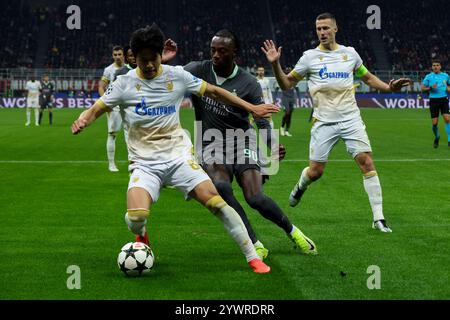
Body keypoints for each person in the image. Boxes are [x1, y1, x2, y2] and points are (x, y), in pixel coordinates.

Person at [71, 24, 279, 273]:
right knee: (137, 217)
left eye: (153, 59)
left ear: (161, 55)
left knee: (217, 203)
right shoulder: (124, 84)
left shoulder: (176, 75)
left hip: (179, 157)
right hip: (144, 163)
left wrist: (252, 108)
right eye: (142, 60)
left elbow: (213, 91)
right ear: (133, 58)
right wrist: (84, 119)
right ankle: (142, 235)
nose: (148, 65)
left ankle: (253, 257)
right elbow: (96, 108)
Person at [262, 12, 412, 233]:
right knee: (316, 172)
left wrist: (389, 88)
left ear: (335, 29)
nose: (321, 32)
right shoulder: (309, 58)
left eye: (325, 28)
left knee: (366, 163)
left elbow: (368, 77)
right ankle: (301, 185)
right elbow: (286, 84)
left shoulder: (350, 54)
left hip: (351, 118)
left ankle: (378, 218)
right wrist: (276, 65)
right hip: (324, 122)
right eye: (318, 29)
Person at [184, 29, 317, 259]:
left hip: (241, 142)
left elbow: (261, 120)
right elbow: (168, 76)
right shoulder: (198, 69)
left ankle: (293, 231)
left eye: (222, 51)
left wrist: (272, 144)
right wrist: (163, 61)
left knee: (255, 197)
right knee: (222, 188)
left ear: (234, 53)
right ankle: (254, 242)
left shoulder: (249, 83)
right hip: (210, 144)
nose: (215, 55)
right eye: (213, 50)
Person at [98, 45, 125, 172]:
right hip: (115, 107)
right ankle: (111, 163)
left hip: (129, 104)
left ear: (123, 55)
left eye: (119, 54)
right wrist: (107, 103)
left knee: (135, 133)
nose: (117, 57)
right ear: (112, 56)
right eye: (115, 55)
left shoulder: (130, 68)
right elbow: (101, 86)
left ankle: (136, 163)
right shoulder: (109, 70)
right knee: (112, 134)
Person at [421, 60, 450, 148]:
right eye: (434, 65)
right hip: (433, 101)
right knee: (434, 123)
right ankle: (437, 137)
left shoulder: (446, 76)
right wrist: (430, 88)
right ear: (432, 67)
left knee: (447, 119)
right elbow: (422, 89)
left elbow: (449, 86)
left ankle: (449, 140)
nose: (435, 67)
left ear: (440, 66)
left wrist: (447, 88)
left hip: (444, 99)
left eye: (437, 65)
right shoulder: (428, 76)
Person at [275, 67, 300, 137]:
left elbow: (297, 89)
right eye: (287, 70)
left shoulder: (293, 80)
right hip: (285, 98)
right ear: (285, 71)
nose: (288, 71)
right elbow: (276, 89)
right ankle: (282, 127)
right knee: (287, 112)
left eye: (290, 70)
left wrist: (298, 97)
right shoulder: (282, 79)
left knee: (290, 115)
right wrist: (274, 99)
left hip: (292, 98)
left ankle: (287, 130)